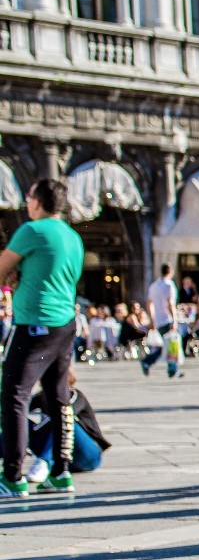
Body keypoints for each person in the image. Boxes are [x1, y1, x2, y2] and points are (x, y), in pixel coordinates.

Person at [0, 178, 83, 495]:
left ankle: (12, 475)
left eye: (29, 196)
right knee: (58, 397)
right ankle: (61, 471)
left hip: (34, 323)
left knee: (14, 396)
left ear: (38, 202)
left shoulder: (31, 231)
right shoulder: (73, 237)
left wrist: (12, 281)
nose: (26, 202)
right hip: (64, 325)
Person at [140, 263, 182, 378]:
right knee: (172, 344)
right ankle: (171, 368)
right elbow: (171, 304)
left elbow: (149, 303)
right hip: (167, 319)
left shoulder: (153, 286)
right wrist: (175, 319)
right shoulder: (169, 285)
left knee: (164, 345)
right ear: (170, 272)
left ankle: (148, 361)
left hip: (158, 320)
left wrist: (152, 319)